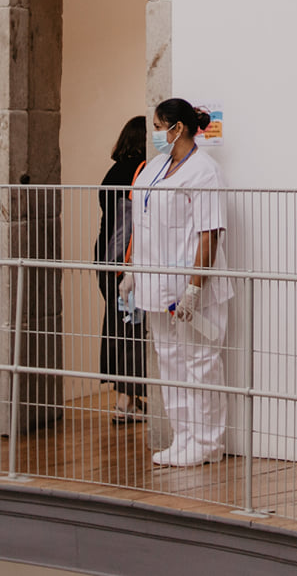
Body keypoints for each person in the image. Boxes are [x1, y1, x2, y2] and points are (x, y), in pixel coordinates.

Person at [128, 97, 231, 467]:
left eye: (159, 127)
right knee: (170, 362)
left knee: (200, 363)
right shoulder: (156, 167)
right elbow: (143, 222)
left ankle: (207, 443)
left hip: (194, 291)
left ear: (178, 128)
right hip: (156, 286)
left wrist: (194, 287)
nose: (156, 134)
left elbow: (209, 234)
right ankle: (183, 437)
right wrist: (132, 273)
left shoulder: (205, 171)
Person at [96, 116, 148, 425]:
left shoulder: (113, 171)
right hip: (126, 263)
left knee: (119, 325)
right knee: (132, 328)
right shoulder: (141, 172)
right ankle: (126, 402)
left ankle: (126, 400)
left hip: (105, 259)